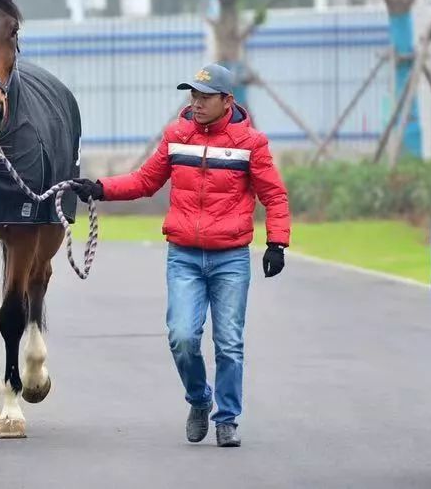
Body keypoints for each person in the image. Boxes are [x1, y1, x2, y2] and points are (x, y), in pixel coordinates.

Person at [73, 64, 291, 447]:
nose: (197, 102)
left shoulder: (251, 144)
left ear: (227, 100)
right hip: (184, 256)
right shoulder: (177, 136)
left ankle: (227, 419)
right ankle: (199, 398)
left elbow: (274, 195)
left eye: (205, 96)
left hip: (231, 259)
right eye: (193, 95)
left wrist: (277, 243)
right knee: (182, 337)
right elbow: (145, 181)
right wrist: (100, 188)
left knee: (228, 343)